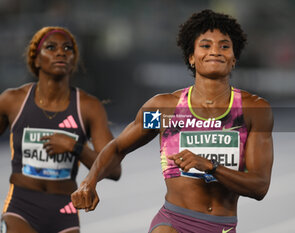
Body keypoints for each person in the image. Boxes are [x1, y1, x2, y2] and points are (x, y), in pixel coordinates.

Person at [71, 9, 274, 233]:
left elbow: (260, 186)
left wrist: (211, 167)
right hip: (174, 221)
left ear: (234, 59)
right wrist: (89, 182)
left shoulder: (254, 110)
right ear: (191, 57)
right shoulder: (164, 109)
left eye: (224, 46)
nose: (215, 51)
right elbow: (118, 147)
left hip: (222, 227)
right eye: (205, 46)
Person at [0, 26, 120, 233]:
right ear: (36, 59)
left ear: (73, 61)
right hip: (21, 207)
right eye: (51, 47)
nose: (60, 52)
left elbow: (114, 170)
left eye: (67, 48)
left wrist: (75, 147)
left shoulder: (88, 107)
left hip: (64, 210)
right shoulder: (13, 100)